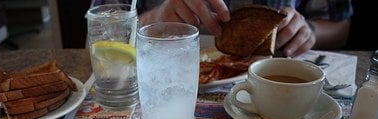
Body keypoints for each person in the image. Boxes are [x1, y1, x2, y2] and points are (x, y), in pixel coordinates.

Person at [137, 0, 353, 57]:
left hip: (270, 84)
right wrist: (150, 21)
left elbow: (340, 27)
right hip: (161, 72)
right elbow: (106, 22)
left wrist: (309, 31)